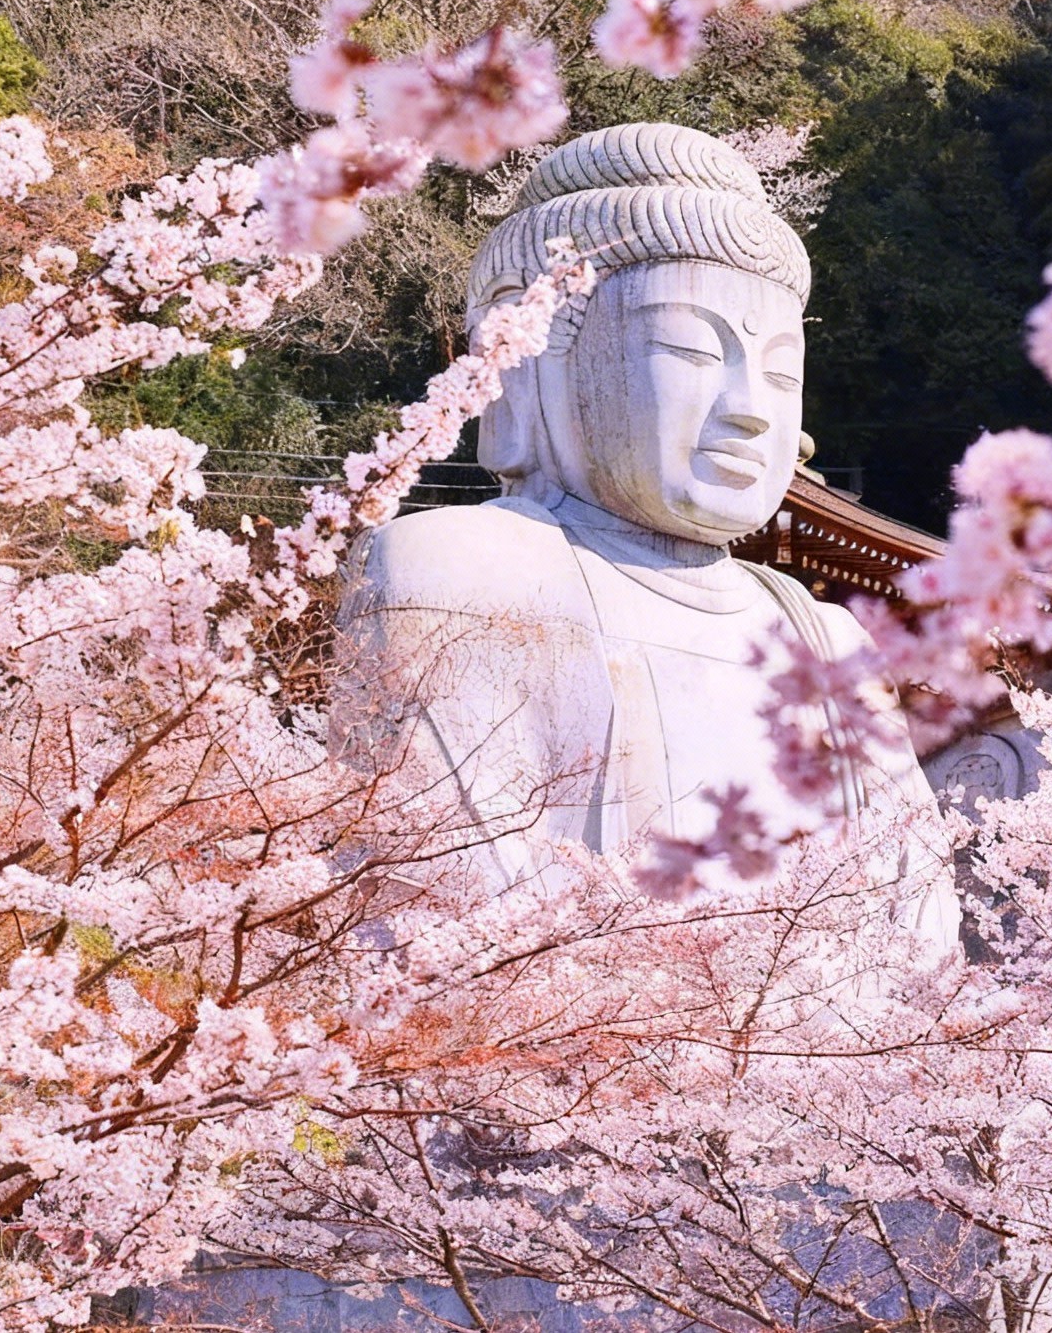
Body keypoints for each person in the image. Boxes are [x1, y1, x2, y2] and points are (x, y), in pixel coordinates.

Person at [336, 123, 959, 950]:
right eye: (691, 349)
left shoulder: (824, 636)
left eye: (781, 372)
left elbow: (920, 929)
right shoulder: (458, 571)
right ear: (529, 366)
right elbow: (438, 913)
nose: (750, 408)